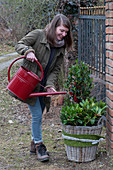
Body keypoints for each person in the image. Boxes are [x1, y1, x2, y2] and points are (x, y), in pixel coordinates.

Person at [15, 14, 73, 162]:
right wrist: (28, 51)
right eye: (61, 30)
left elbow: (55, 70)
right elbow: (19, 44)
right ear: (54, 27)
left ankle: (33, 144)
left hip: (42, 86)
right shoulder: (38, 35)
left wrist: (50, 86)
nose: (63, 34)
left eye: (66, 32)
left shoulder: (60, 47)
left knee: (39, 114)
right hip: (29, 84)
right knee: (37, 116)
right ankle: (40, 146)